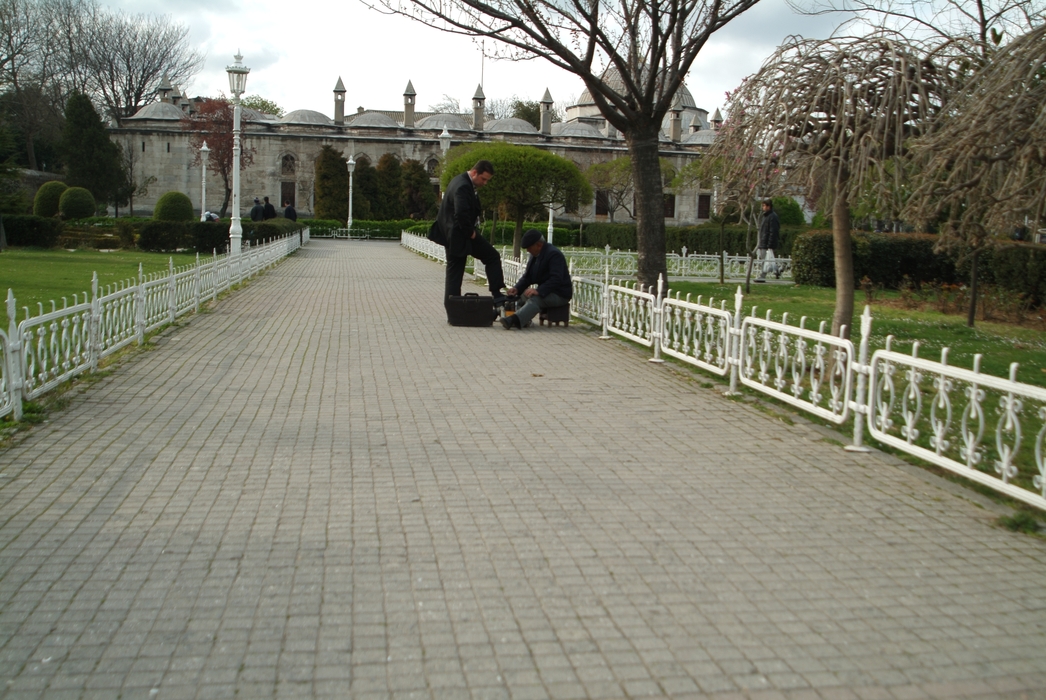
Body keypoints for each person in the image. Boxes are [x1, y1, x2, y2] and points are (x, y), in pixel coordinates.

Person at [432, 159, 506, 310]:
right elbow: (461, 213)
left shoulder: (460, 181)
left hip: (455, 235)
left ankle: (454, 309)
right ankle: (496, 295)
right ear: (474, 172)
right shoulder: (463, 186)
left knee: (455, 273)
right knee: (490, 257)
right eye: (483, 179)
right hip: (460, 235)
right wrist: (471, 233)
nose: (485, 183)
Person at [501, 229, 572, 330]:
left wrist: (538, 291)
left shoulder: (554, 255)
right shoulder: (535, 255)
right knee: (522, 296)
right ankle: (508, 315)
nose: (527, 250)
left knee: (536, 300)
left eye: (529, 248)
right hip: (547, 292)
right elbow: (528, 277)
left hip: (559, 294)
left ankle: (515, 320)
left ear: (538, 245)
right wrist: (517, 288)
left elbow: (556, 279)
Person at [755, 199, 780, 282]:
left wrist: (770, 244)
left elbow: (773, 231)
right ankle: (777, 270)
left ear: (768, 206)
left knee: (765, 260)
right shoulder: (766, 216)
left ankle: (763, 275)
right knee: (768, 259)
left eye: (764, 206)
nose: (763, 207)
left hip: (766, 243)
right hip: (763, 241)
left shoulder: (772, 217)